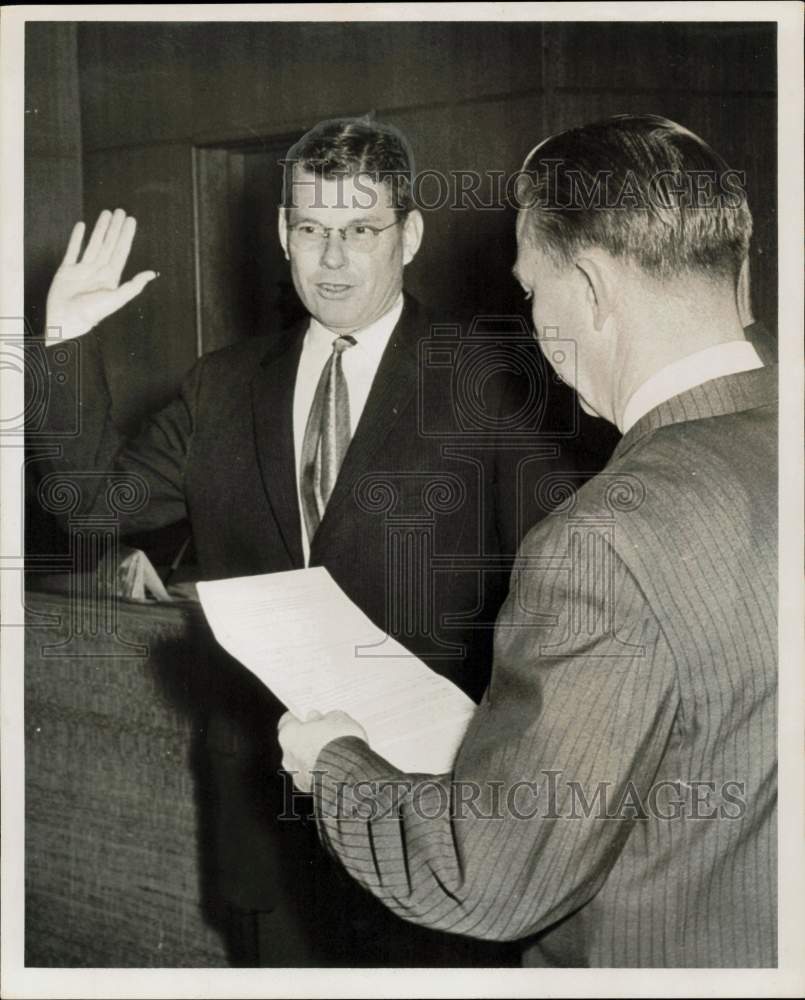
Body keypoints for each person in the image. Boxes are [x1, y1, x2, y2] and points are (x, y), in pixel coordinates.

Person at [37, 117, 575, 965]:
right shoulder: (221, 386)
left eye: (360, 231)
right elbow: (91, 505)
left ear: (410, 235)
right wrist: (66, 341)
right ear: (282, 236)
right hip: (265, 817)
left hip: (429, 813)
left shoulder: (494, 382)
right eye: (312, 231)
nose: (332, 260)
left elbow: (559, 598)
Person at [278, 114, 778, 968]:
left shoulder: (604, 541)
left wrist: (333, 764)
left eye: (530, 289)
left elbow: (484, 874)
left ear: (586, 289)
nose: (533, 322)